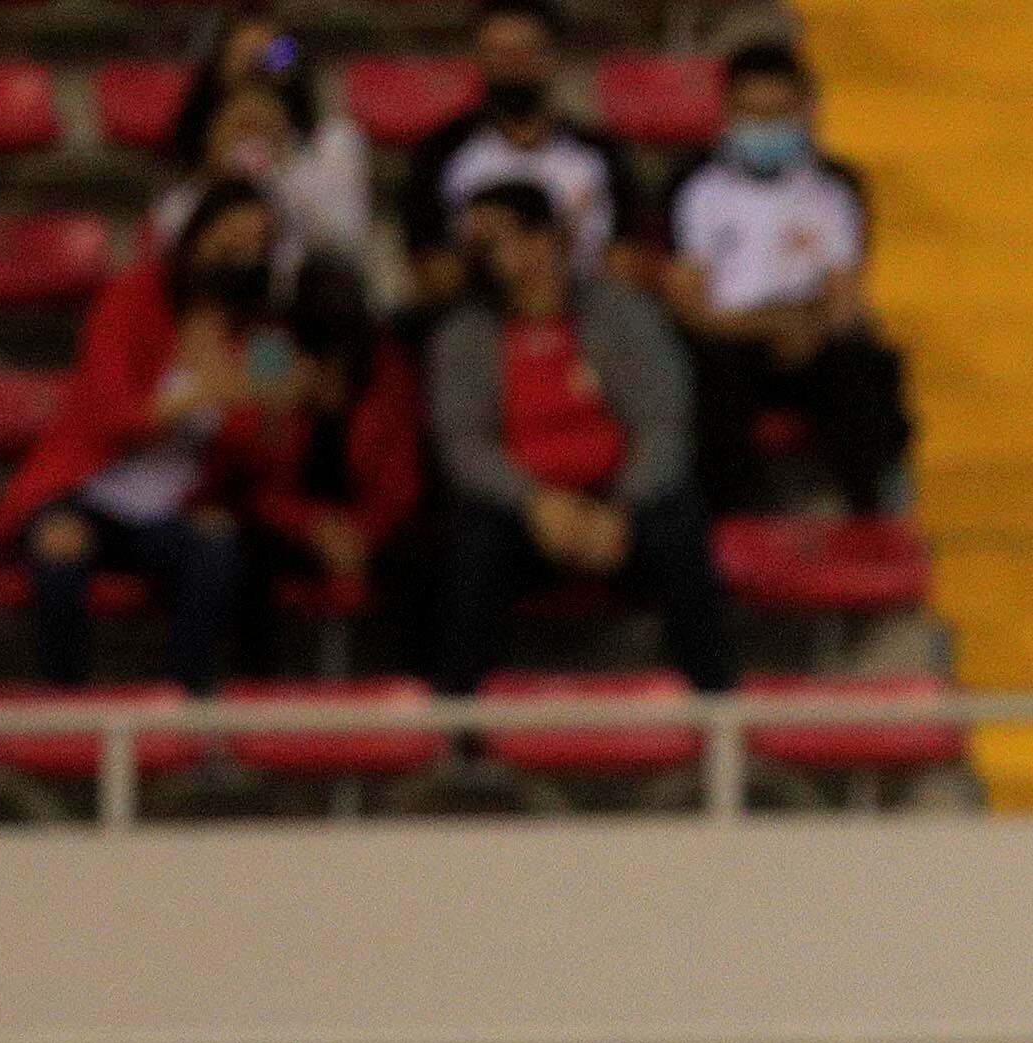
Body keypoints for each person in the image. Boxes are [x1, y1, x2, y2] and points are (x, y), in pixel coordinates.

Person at [427, 181, 734, 693]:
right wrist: (536, 502)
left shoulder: (623, 313)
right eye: (480, 245)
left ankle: (718, 709)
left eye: (504, 239)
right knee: (466, 543)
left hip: (622, 500)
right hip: (522, 506)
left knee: (680, 529)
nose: (492, 256)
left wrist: (622, 506)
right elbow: (463, 445)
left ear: (547, 239)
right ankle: (459, 720)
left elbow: (663, 423)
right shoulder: (465, 333)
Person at [0, 181, 287, 693]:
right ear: (194, 239)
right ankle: (64, 706)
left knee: (218, 548)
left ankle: (181, 703)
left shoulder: (267, 337)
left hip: (172, 511)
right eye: (225, 241)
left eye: (253, 247)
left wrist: (271, 407)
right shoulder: (129, 296)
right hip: (86, 493)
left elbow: (266, 448)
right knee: (60, 548)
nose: (235, 258)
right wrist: (201, 393)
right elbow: (111, 413)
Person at [664, 41, 914, 514]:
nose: (765, 127)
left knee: (865, 365)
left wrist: (806, 328)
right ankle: (727, 517)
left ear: (804, 110)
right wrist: (772, 326)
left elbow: (845, 299)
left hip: (814, 340)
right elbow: (691, 306)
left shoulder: (835, 187)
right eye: (753, 113)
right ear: (728, 111)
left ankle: (872, 515)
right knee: (711, 375)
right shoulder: (697, 186)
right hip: (731, 343)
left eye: (778, 114)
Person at [248, 260, 429, 669]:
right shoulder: (271, 353)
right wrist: (312, 525)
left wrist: (360, 532)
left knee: (420, 558)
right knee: (246, 554)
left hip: (371, 526)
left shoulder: (388, 366)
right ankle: (255, 693)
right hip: (288, 523)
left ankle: (412, 694)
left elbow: (402, 484)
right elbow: (253, 479)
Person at [404, 0, 646, 303]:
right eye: (500, 54)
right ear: (479, 57)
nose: (514, 67)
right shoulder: (440, 153)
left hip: (585, 310)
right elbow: (431, 270)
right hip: (478, 310)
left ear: (552, 56)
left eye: (525, 52)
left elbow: (627, 262)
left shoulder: (600, 153)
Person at [156, 11, 372, 283]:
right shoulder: (204, 139)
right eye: (245, 60)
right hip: (224, 289)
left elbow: (345, 239)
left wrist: (282, 163)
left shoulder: (333, 139)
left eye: (270, 58)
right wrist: (214, 173)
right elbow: (169, 235)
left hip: (308, 292)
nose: (258, 71)